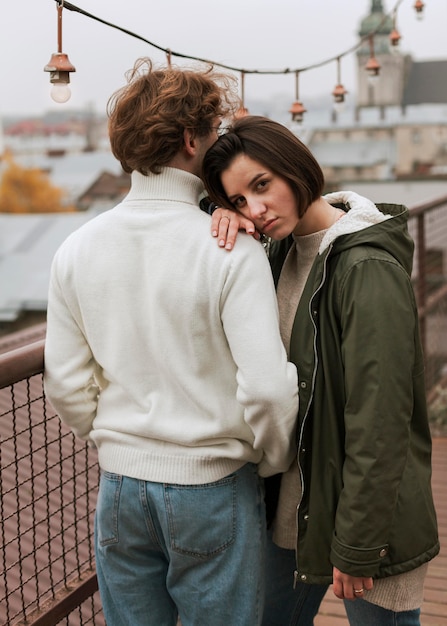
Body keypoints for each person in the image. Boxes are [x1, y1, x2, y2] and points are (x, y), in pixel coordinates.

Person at [43, 64, 300, 626]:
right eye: (212, 133)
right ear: (190, 140)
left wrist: (121, 442)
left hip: (118, 488)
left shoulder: (76, 249)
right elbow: (265, 387)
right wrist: (269, 460)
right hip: (212, 486)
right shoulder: (229, 249)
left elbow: (63, 382)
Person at [201, 115, 440, 626]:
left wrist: (358, 544)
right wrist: (215, 214)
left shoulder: (365, 267)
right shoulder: (277, 252)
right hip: (296, 507)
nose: (256, 210)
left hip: (369, 521)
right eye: (239, 200)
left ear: (294, 167)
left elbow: (381, 422)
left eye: (262, 186)